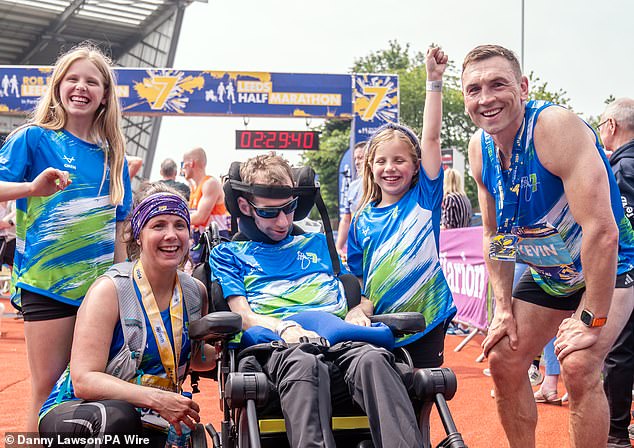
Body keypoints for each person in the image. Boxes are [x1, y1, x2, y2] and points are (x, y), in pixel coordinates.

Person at [463, 44, 634, 447]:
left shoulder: (555, 128)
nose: (486, 98)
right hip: (552, 272)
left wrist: (590, 317)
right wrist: (502, 308)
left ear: (522, 87)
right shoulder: (478, 150)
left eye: (498, 84)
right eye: (474, 89)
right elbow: (497, 235)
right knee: (504, 357)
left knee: (578, 364)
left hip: (611, 267)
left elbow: (601, 231)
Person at [210, 153, 423, 448]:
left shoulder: (319, 243)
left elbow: (359, 297)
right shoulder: (228, 254)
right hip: (280, 350)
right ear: (246, 206)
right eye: (270, 212)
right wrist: (285, 329)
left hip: (343, 345)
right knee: (303, 362)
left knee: (375, 359)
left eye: (290, 209)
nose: (283, 221)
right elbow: (243, 315)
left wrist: (358, 312)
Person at [0, 43, 133, 432]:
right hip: (48, 286)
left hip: (100, 294)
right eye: (72, 79)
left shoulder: (115, 156)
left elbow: (119, 229)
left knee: (90, 392)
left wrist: (123, 286)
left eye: (92, 82)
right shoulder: (34, 139)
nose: (81, 87)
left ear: (105, 95)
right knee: (46, 391)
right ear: (58, 86)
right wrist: (31, 189)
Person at [38, 185, 216, 446]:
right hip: (82, 410)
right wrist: (156, 398)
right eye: (158, 226)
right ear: (138, 235)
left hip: (150, 415)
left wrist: (233, 345)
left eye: (180, 225)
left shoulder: (194, 292)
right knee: (118, 419)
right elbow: (84, 380)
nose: (171, 235)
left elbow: (195, 358)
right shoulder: (110, 290)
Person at [346, 46, 456, 368]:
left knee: (422, 397)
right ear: (370, 168)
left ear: (416, 166)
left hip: (427, 318)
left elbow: (432, 139)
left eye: (399, 160)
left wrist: (433, 82)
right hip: (380, 327)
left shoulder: (424, 198)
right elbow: (357, 278)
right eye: (381, 161)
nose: (390, 168)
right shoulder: (362, 220)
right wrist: (358, 310)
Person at [599, 97, 634, 448]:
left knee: (619, 352)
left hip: (628, 277)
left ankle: (617, 433)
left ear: (611, 126)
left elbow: (619, 231)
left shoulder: (620, 171)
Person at [181, 147, 230, 261]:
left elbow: (200, 217)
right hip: (202, 239)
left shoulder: (210, 183)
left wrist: (174, 219)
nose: (182, 168)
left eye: (184, 163)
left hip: (215, 240)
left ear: (191, 163)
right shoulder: (195, 188)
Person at [335, 141, 366, 257]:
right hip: (356, 246)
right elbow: (346, 219)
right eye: (355, 159)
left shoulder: (381, 184)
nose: (357, 162)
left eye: (360, 158)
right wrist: (338, 248)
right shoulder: (352, 186)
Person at [0, 200, 16, 270]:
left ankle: (13, 280)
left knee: (13, 265)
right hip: (4, 236)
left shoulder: (13, 201)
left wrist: (10, 223)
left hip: (11, 238)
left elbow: (17, 212)